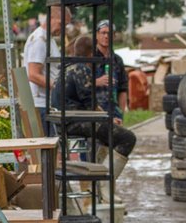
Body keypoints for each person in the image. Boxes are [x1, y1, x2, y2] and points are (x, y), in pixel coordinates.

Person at [52, 34, 136, 204]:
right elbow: (90, 104)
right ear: (91, 54)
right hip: (76, 123)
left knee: (109, 138)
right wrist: (109, 119)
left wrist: (106, 119)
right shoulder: (81, 69)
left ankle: (101, 178)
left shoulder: (67, 67)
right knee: (127, 138)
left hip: (67, 122)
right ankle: (105, 184)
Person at [23, 6, 71, 136]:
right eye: (61, 24)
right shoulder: (40, 40)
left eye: (66, 25)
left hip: (48, 103)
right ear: (51, 18)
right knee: (48, 148)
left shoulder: (48, 39)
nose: (63, 29)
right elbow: (33, 75)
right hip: (41, 104)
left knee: (53, 148)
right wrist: (58, 88)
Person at [93, 20, 128, 120]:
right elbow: (80, 85)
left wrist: (121, 113)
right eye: (103, 33)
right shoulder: (90, 58)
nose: (106, 36)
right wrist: (97, 82)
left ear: (114, 36)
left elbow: (123, 89)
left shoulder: (117, 60)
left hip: (113, 112)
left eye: (110, 33)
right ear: (97, 35)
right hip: (94, 113)